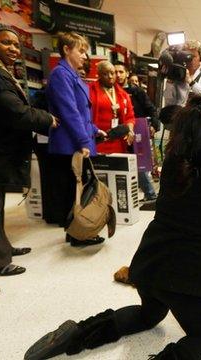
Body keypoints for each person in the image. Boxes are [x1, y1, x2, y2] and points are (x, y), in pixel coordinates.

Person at [24, 94, 201, 360]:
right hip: (188, 273)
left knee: (149, 314)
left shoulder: (175, 159)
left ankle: (80, 332)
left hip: (150, 262)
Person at [0, 23, 57, 276]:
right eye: (6, 43)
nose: (13, 49)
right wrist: (46, 119)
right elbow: (13, 111)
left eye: (16, 44)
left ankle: (2, 247)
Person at [45, 32, 107, 247]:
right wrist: (83, 140)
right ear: (66, 49)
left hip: (77, 140)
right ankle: (77, 234)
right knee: (74, 192)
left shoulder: (71, 75)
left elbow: (82, 113)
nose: (84, 56)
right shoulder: (60, 74)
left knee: (78, 191)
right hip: (69, 144)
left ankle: (78, 232)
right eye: (80, 50)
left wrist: (95, 129)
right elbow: (69, 111)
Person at [115, 63, 160, 202]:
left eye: (121, 72)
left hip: (136, 131)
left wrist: (154, 124)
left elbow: (150, 108)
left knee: (138, 163)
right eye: (115, 72)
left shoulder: (137, 92)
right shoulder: (110, 91)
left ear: (127, 73)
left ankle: (150, 193)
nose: (118, 75)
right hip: (116, 133)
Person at [89, 61, 135, 154]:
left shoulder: (123, 94)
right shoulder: (90, 90)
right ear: (99, 75)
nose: (110, 76)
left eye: (112, 73)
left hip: (117, 142)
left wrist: (130, 130)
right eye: (105, 74)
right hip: (98, 141)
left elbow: (130, 117)